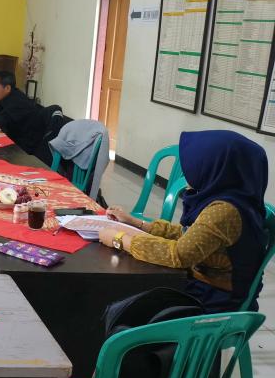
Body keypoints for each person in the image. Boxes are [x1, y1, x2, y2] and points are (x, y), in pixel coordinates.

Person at [100, 130, 268, 313]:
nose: (187, 172)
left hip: (213, 299)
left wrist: (119, 239)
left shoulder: (224, 211)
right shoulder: (232, 198)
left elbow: (179, 254)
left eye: (195, 164)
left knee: (117, 297)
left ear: (216, 167)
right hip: (203, 283)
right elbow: (187, 233)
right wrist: (136, 223)